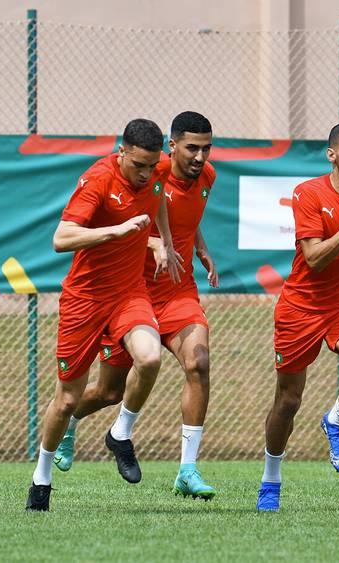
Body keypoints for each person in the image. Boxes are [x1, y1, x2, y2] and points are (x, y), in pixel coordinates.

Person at [53, 111, 220, 500]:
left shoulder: (206, 178)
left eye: (207, 149)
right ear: (172, 147)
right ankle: (70, 421)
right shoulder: (145, 169)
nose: (200, 157)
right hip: (131, 291)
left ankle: (187, 469)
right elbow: (126, 221)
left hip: (177, 291)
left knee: (199, 363)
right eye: (192, 148)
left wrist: (201, 248)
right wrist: (153, 242)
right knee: (109, 391)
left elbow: (185, 220)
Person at [26, 118, 177, 512]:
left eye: (152, 165)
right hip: (85, 300)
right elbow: (61, 238)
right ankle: (41, 477)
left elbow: (158, 197)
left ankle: (120, 433)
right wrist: (116, 231)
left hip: (129, 294)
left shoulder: (157, 172)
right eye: (138, 165)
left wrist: (161, 241)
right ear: (121, 151)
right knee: (67, 400)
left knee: (150, 356)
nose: (146, 174)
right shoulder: (98, 180)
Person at [256, 122, 339, 512]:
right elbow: (313, 259)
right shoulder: (308, 194)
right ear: (332, 155)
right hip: (301, 307)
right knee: (288, 402)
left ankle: (335, 420)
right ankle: (270, 480)